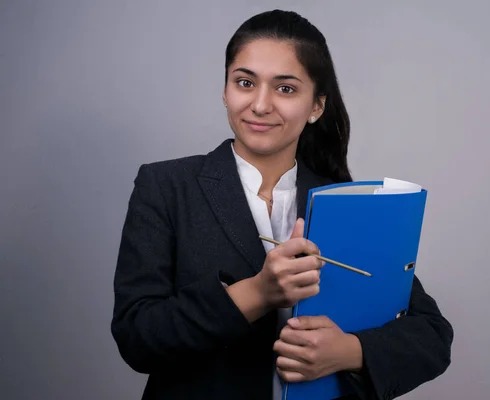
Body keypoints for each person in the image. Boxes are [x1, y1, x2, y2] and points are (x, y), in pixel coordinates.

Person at [111, 9, 453, 400]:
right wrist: (257, 293)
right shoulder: (166, 186)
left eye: (285, 89)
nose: (260, 105)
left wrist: (349, 352)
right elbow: (136, 337)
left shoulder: (346, 202)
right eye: (244, 82)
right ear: (225, 90)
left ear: (316, 106)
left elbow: (432, 335)